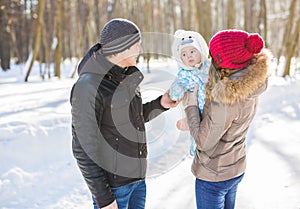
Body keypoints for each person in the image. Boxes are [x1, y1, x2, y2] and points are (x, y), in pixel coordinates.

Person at [70, 18, 178, 209]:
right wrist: (103, 198)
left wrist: (161, 104)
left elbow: (131, 119)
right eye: (137, 45)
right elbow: (83, 149)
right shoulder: (88, 86)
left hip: (137, 182)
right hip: (114, 189)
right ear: (122, 47)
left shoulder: (125, 75)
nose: (141, 50)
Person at [181, 29, 271, 209]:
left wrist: (190, 106)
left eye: (213, 56)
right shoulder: (250, 82)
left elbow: (203, 142)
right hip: (234, 168)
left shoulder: (225, 99)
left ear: (223, 62)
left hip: (214, 176)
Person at [170, 29, 210, 156]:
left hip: (212, 108)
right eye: (184, 55)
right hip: (196, 111)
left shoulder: (209, 67)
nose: (189, 56)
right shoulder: (183, 75)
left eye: (193, 51)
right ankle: (196, 148)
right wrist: (176, 92)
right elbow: (176, 89)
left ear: (201, 51)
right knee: (197, 132)